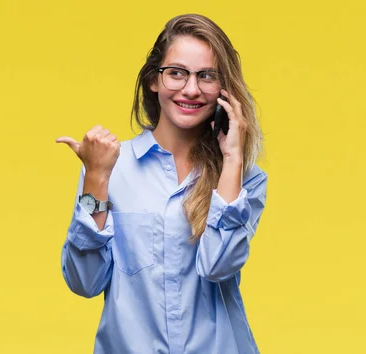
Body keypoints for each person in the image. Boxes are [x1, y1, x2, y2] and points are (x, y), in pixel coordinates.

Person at [55, 14, 268, 354]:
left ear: (223, 90)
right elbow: (84, 281)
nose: (191, 89)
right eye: (177, 73)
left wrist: (232, 159)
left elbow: (217, 265)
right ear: (154, 81)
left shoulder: (245, 179)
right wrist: (95, 178)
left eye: (207, 76)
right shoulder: (111, 169)